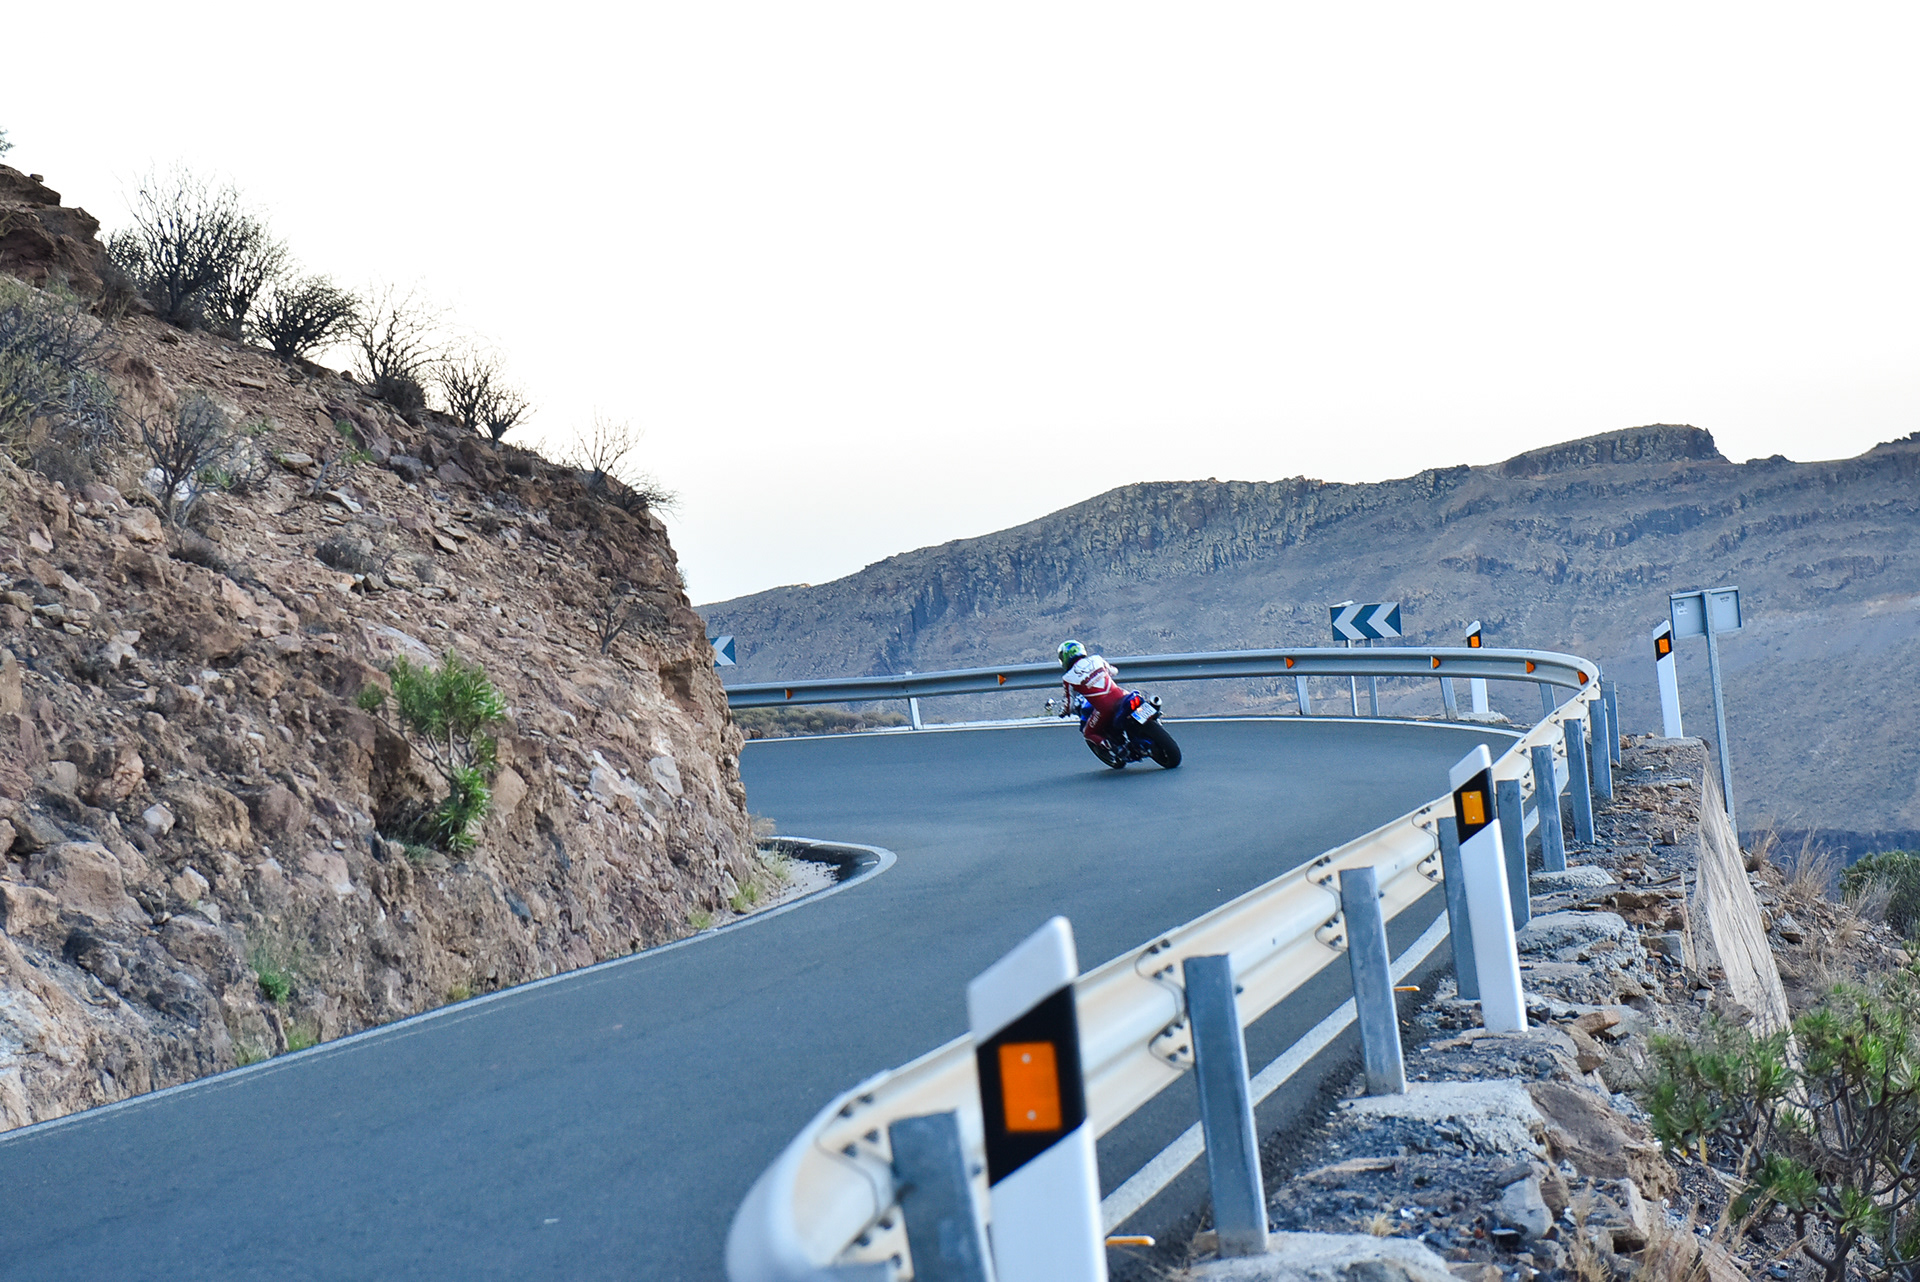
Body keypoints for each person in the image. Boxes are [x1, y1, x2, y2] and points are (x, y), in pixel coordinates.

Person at [1058, 639, 1127, 746]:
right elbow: (1114, 671)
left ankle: (1109, 746)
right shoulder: (1096, 659)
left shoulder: (1068, 678)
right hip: (1122, 695)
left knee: (1088, 733)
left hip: (1105, 707)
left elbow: (1069, 704)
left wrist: (1064, 712)